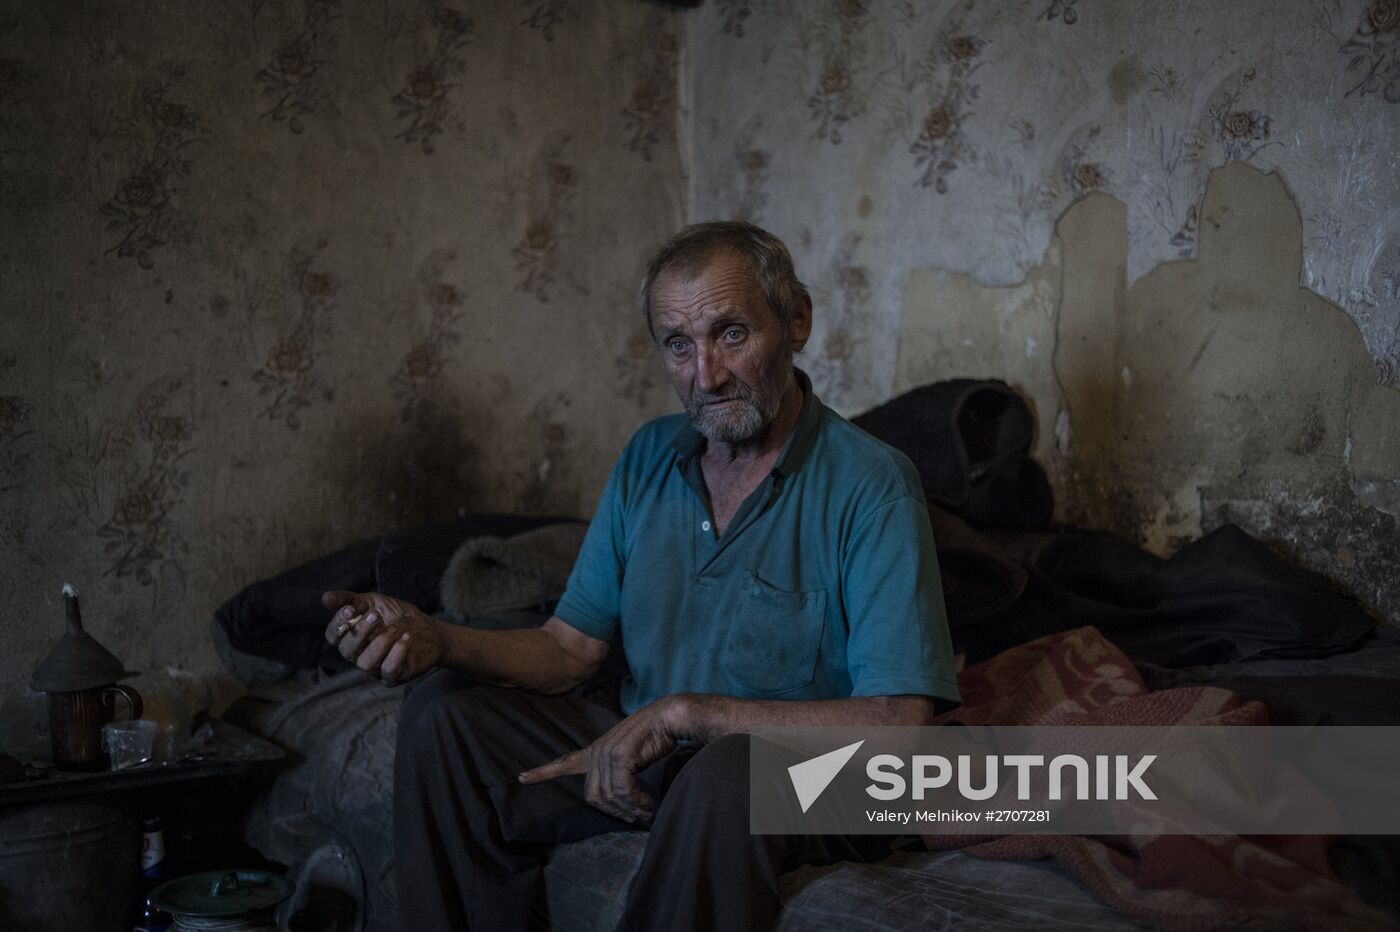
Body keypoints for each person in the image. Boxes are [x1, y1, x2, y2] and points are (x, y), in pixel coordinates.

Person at [322, 221, 960, 932]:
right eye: (678, 345)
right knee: (443, 714)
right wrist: (438, 638)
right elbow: (569, 651)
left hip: (815, 773)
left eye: (731, 334)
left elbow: (900, 726)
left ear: (797, 321)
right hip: (657, 749)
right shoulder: (649, 457)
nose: (706, 375)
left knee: (730, 773)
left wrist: (689, 713)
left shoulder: (872, 484)